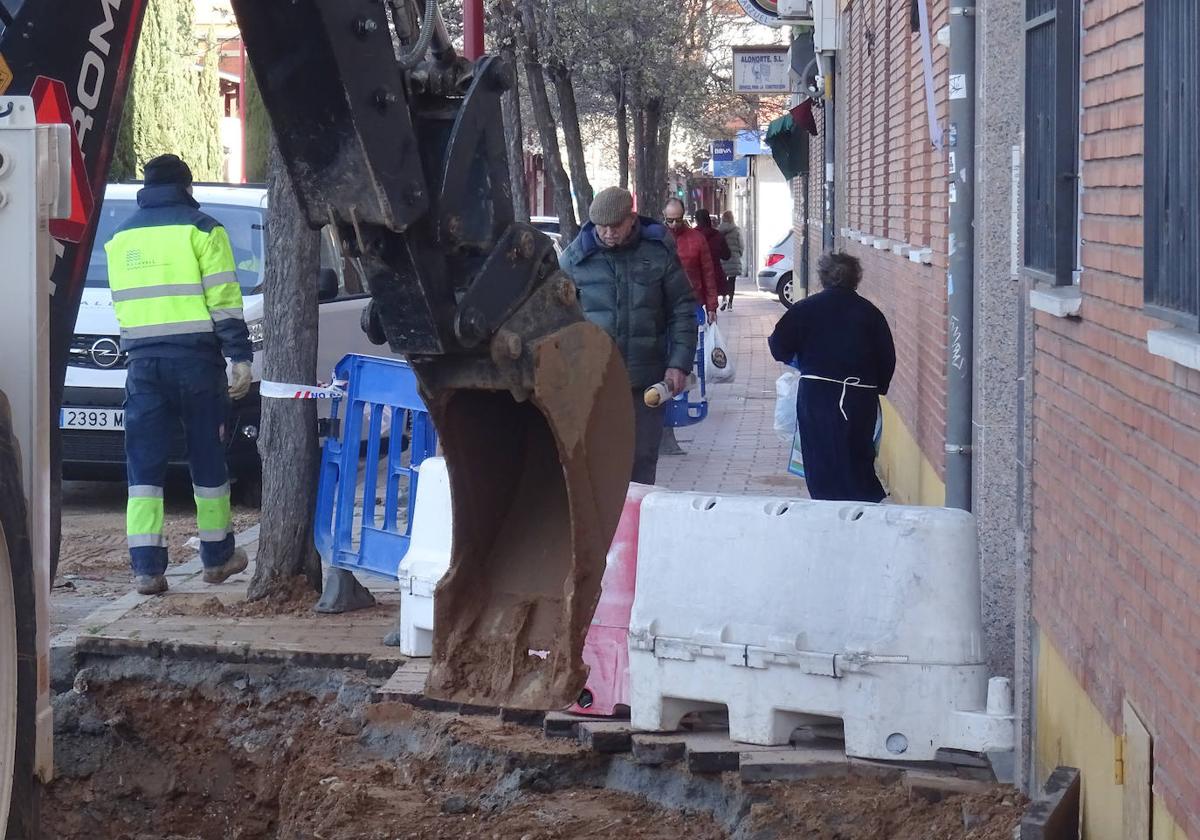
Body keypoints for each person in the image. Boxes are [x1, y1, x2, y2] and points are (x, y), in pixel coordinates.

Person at [104, 154, 254, 595]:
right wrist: (239, 356)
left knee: (144, 469)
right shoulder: (203, 230)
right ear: (187, 187)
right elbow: (224, 299)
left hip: (143, 366)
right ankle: (218, 557)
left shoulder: (119, 237)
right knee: (207, 459)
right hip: (196, 364)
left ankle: (146, 569)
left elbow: (123, 307)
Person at [559, 186, 699, 485]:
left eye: (615, 226)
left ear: (631, 219)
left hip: (646, 381)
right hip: (595, 383)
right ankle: (600, 532)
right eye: (601, 227)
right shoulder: (574, 260)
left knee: (641, 462)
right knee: (596, 464)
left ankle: (634, 529)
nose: (608, 233)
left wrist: (679, 363)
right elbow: (556, 322)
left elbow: (682, 309)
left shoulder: (657, 251)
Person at [768, 252, 896, 503]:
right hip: (860, 397)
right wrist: (877, 386)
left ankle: (826, 508)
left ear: (823, 277)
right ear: (856, 279)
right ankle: (862, 507)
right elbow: (887, 358)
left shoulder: (805, 309)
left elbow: (778, 345)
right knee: (857, 453)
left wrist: (800, 359)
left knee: (820, 454)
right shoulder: (870, 313)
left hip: (817, 396)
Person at [661, 198, 720, 324]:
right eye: (670, 220)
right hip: (663, 306)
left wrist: (712, 307)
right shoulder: (657, 239)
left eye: (678, 219)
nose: (674, 224)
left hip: (692, 303)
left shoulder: (697, 238)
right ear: (664, 216)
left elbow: (708, 274)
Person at [694, 209, 731, 308]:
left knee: (697, 306)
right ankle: (712, 321)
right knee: (712, 308)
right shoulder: (718, 235)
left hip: (697, 276)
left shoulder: (692, 236)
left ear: (696, 220)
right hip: (715, 274)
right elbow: (727, 255)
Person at [717, 210, 744, 310]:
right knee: (732, 282)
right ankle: (730, 303)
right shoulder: (736, 230)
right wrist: (739, 253)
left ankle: (724, 298)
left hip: (723, 259)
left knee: (724, 280)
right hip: (734, 258)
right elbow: (741, 244)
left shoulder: (719, 231)